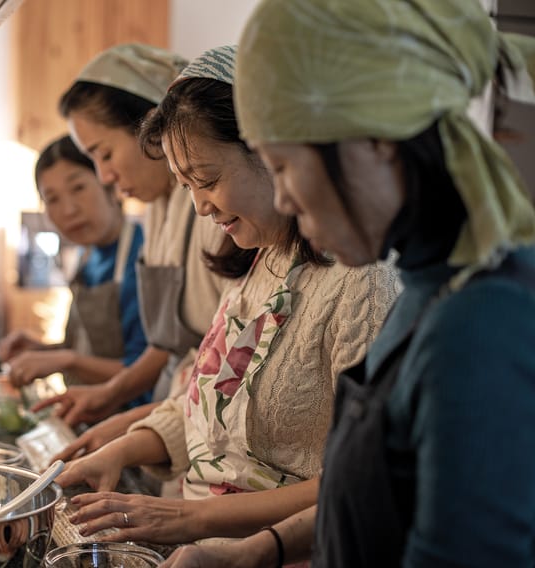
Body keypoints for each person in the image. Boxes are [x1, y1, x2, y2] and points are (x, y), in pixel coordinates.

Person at [162, 1, 535, 566]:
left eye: (285, 166)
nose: (283, 197)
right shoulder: (424, 284)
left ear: (376, 141)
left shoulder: (477, 325)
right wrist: (262, 550)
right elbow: (380, 499)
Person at [52, 45, 399, 546]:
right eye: (185, 184)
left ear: (275, 155)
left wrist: (187, 520)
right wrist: (123, 449)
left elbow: (359, 484)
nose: (199, 207)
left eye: (208, 180)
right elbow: (204, 402)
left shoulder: (364, 280)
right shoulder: (258, 258)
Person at [33, 44, 231, 431]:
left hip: (202, 424)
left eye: (104, 154)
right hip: (174, 420)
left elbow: (224, 359)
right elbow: (165, 346)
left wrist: (129, 419)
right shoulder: (159, 208)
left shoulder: (215, 213)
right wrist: (111, 398)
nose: (105, 175)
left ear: (152, 126)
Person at [0, 135, 148, 391]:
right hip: (88, 413)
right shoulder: (84, 256)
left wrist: (65, 361)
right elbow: (88, 350)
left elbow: (148, 373)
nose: (68, 210)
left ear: (110, 185)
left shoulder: (145, 255)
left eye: (78, 188)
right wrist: (44, 351)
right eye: (52, 199)